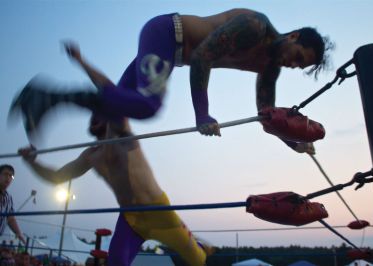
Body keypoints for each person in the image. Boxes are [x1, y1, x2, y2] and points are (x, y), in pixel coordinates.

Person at [10, 8, 332, 153]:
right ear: (293, 36)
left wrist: (295, 142)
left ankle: (44, 102)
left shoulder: (270, 70)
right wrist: (202, 114)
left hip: (169, 55)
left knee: (120, 105)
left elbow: (267, 117)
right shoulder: (255, 27)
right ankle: (44, 97)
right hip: (166, 33)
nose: (293, 65)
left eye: (300, 67)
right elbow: (204, 56)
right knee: (149, 106)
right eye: (299, 56)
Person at [18, 116, 213, 266]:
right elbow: (57, 177)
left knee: (198, 260)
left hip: (159, 213)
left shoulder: (125, 137)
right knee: (116, 263)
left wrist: (84, 67)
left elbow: (116, 100)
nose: (94, 117)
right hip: (130, 218)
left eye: (100, 113)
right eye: (93, 115)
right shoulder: (90, 155)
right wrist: (32, 162)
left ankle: (198, 245)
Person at [0, 164, 26, 245]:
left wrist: (18, 233)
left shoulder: (9, 198)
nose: (8, 177)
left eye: (11, 176)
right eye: (5, 174)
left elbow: (10, 218)